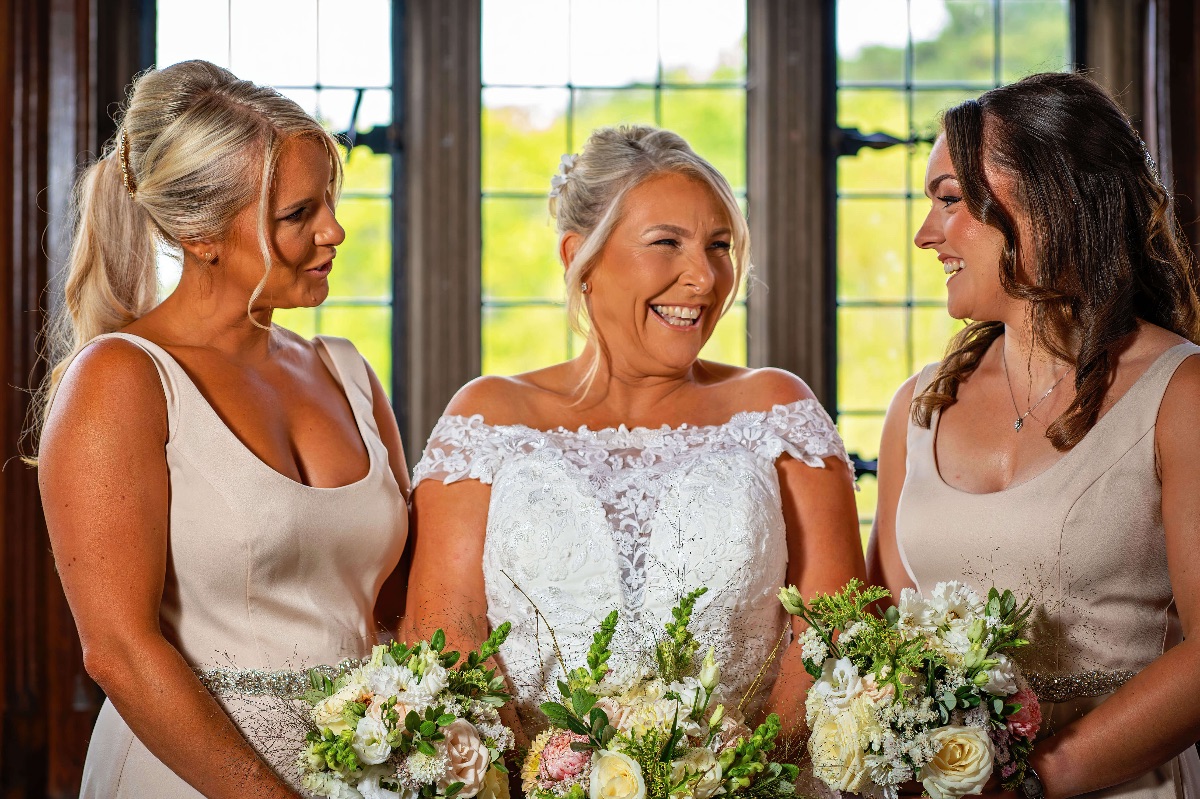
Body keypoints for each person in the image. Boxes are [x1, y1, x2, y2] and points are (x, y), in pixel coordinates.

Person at [404, 125, 865, 743]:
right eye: (667, 242)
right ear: (580, 258)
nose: (703, 278)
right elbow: (447, 638)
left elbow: (836, 633)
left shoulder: (778, 410)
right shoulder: (488, 419)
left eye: (720, 246)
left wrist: (748, 781)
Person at [36, 60, 409, 798]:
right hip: (185, 777)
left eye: (328, 201)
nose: (334, 229)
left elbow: (397, 610)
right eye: (298, 214)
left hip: (362, 776)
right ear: (200, 233)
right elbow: (117, 648)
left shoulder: (348, 372)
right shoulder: (121, 379)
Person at [868, 72, 1200, 799]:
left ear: (1053, 198)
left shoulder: (1179, 395)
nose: (927, 234)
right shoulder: (916, 409)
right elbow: (887, 641)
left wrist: (1028, 781)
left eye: (951, 199)